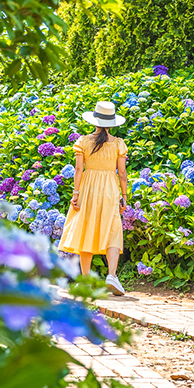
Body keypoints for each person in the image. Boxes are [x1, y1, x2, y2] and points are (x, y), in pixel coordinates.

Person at [57, 101, 129, 295]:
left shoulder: (83, 141)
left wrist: (76, 194)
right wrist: (124, 196)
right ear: (112, 122)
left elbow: (79, 169)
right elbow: (122, 173)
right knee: (113, 230)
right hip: (110, 188)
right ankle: (112, 275)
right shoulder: (118, 144)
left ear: (95, 120)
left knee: (86, 229)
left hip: (88, 188)